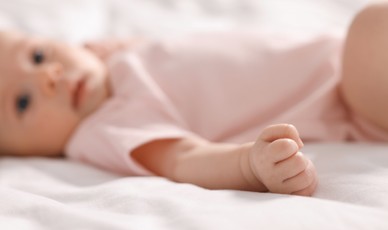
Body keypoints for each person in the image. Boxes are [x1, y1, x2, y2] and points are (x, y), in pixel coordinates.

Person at [0, 2, 387, 197]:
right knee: (371, 26)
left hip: (338, 54)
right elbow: (183, 159)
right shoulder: (105, 127)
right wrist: (249, 165)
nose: (48, 78)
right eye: (22, 102)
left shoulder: (109, 62)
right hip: (348, 94)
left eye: (38, 56)